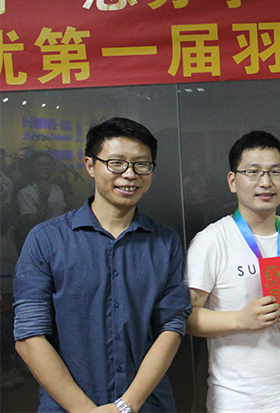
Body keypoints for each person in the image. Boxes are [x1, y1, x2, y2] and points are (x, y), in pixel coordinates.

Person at [13, 117, 192, 413]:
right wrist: (86, 410)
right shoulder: (46, 240)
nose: (130, 174)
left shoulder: (165, 242)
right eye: (116, 163)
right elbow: (30, 337)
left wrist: (125, 406)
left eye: (141, 164)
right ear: (90, 165)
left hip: (146, 405)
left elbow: (171, 327)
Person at [185, 131, 280, 413]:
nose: (266, 182)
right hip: (240, 400)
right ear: (232, 181)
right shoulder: (211, 241)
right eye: (253, 172)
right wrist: (241, 319)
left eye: (275, 172)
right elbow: (188, 318)